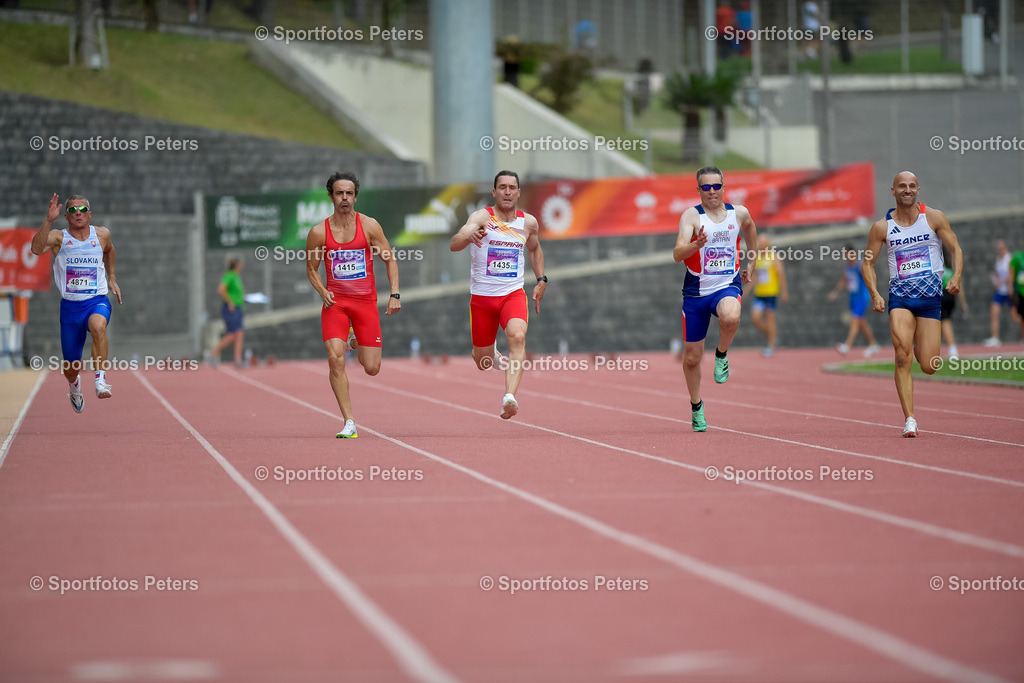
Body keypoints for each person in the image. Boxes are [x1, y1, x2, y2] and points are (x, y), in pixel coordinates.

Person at [862, 171, 962, 438]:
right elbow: (868, 263)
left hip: (930, 299)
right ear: (892, 191)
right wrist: (875, 293)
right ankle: (910, 418)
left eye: (911, 186)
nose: (907, 190)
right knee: (902, 355)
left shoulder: (934, 218)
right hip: (901, 299)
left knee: (929, 365)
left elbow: (956, 249)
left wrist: (958, 277)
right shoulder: (882, 227)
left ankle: (919, 342)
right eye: (901, 186)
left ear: (918, 190)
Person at [306, 171, 401, 439]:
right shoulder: (318, 232)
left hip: (364, 303)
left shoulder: (369, 226)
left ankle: (355, 339)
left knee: (371, 368)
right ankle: (349, 422)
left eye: (349, 193)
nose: (344, 198)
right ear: (331, 196)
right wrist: (322, 290)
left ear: (356, 196)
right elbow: (311, 269)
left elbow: (390, 259)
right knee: (335, 359)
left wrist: (395, 294)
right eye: (339, 193)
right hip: (335, 303)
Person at [450, 170, 546, 420]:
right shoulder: (482, 217)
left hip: (512, 294)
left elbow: (535, 250)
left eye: (511, 187)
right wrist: (467, 236)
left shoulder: (528, 223)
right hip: (482, 298)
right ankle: (490, 353)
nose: (506, 192)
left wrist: (541, 279)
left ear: (518, 192)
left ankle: (509, 397)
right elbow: (455, 242)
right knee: (481, 361)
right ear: (494, 192)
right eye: (501, 187)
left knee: (517, 336)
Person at [674, 166, 757, 431]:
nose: (712, 192)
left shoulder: (738, 213)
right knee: (692, 358)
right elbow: (677, 254)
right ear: (698, 190)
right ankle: (696, 406)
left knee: (731, 316)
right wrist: (695, 245)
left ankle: (721, 353)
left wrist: (752, 260)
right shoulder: (691, 216)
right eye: (706, 187)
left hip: (726, 285)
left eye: (716, 186)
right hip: (696, 293)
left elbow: (750, 229)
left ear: (724, 187)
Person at [30, 193, 122, 412]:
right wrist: (48, 221)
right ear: (66, 215)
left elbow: (109, 250)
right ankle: (74, 386)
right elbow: (35, 249)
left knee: (98, 326)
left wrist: (112, 278)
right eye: (72, 210)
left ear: (89, 214)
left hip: (96, 300)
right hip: (71, 308)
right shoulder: (57, 238)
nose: (78, 214)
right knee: (72, 366)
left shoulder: (102, 235)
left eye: (82, 210)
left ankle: (100, 380)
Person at [827, 244, 880, 357]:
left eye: (849, 255)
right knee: (862, 322)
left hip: (862, 297)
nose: (848, 257)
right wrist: (835, 292)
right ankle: (873, 344)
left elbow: (870, 277)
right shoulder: (848, 266)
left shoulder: (860, 265)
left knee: (855, 321)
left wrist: (873, 294)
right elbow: (845, 280)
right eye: (846, 255)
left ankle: (847, 346)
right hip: (853, 297)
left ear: (854, 254)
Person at [744, 233, 788, 357]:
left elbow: (781, 275)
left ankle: (770, 345)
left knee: (770, 319)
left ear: (767, 244)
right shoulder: (757, 258)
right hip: (759, 293)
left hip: (771, 293)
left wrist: (784, 291)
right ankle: (772, 337)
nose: (761, 244)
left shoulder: (774, 257)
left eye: (763, 242)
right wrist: (747, 289)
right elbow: (756, 276)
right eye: (760, 242)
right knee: (755, 318)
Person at [208, 255, 245, 367]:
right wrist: (229, 302)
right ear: (237, 265)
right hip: (231, 309)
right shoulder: (229, 276)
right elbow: (221, 289)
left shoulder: (236, 276)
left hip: (238, 308)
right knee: (232, 335)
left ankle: (238, 360)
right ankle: (212, 353)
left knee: (239, 334)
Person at [939, 247, 968, 359]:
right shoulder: (949, 265)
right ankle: (939, 348)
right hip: (951, 295)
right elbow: (959, 284)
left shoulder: (936, 264)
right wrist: (963, 303)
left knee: (944, 321)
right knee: (939, 322)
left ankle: (952, 348)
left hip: (942, 294)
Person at [983, 238, 1012, 347]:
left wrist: (1001, 281)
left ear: (1005, 248)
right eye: (997, 248)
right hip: (1000, 291)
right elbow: (999, 276)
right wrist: (995, 280)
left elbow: (1011, 276)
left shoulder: (1009, 259)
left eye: (1001, 248)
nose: (999, 250)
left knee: (1016, 315)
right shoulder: (998, 260)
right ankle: (995, 338)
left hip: (1009, 291)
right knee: (993, 313)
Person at [1010, 236, 1024, 345]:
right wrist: (1011, 289)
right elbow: (1012, 276)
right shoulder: (1017, 257)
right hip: (1021, 291)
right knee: (1022, 318)